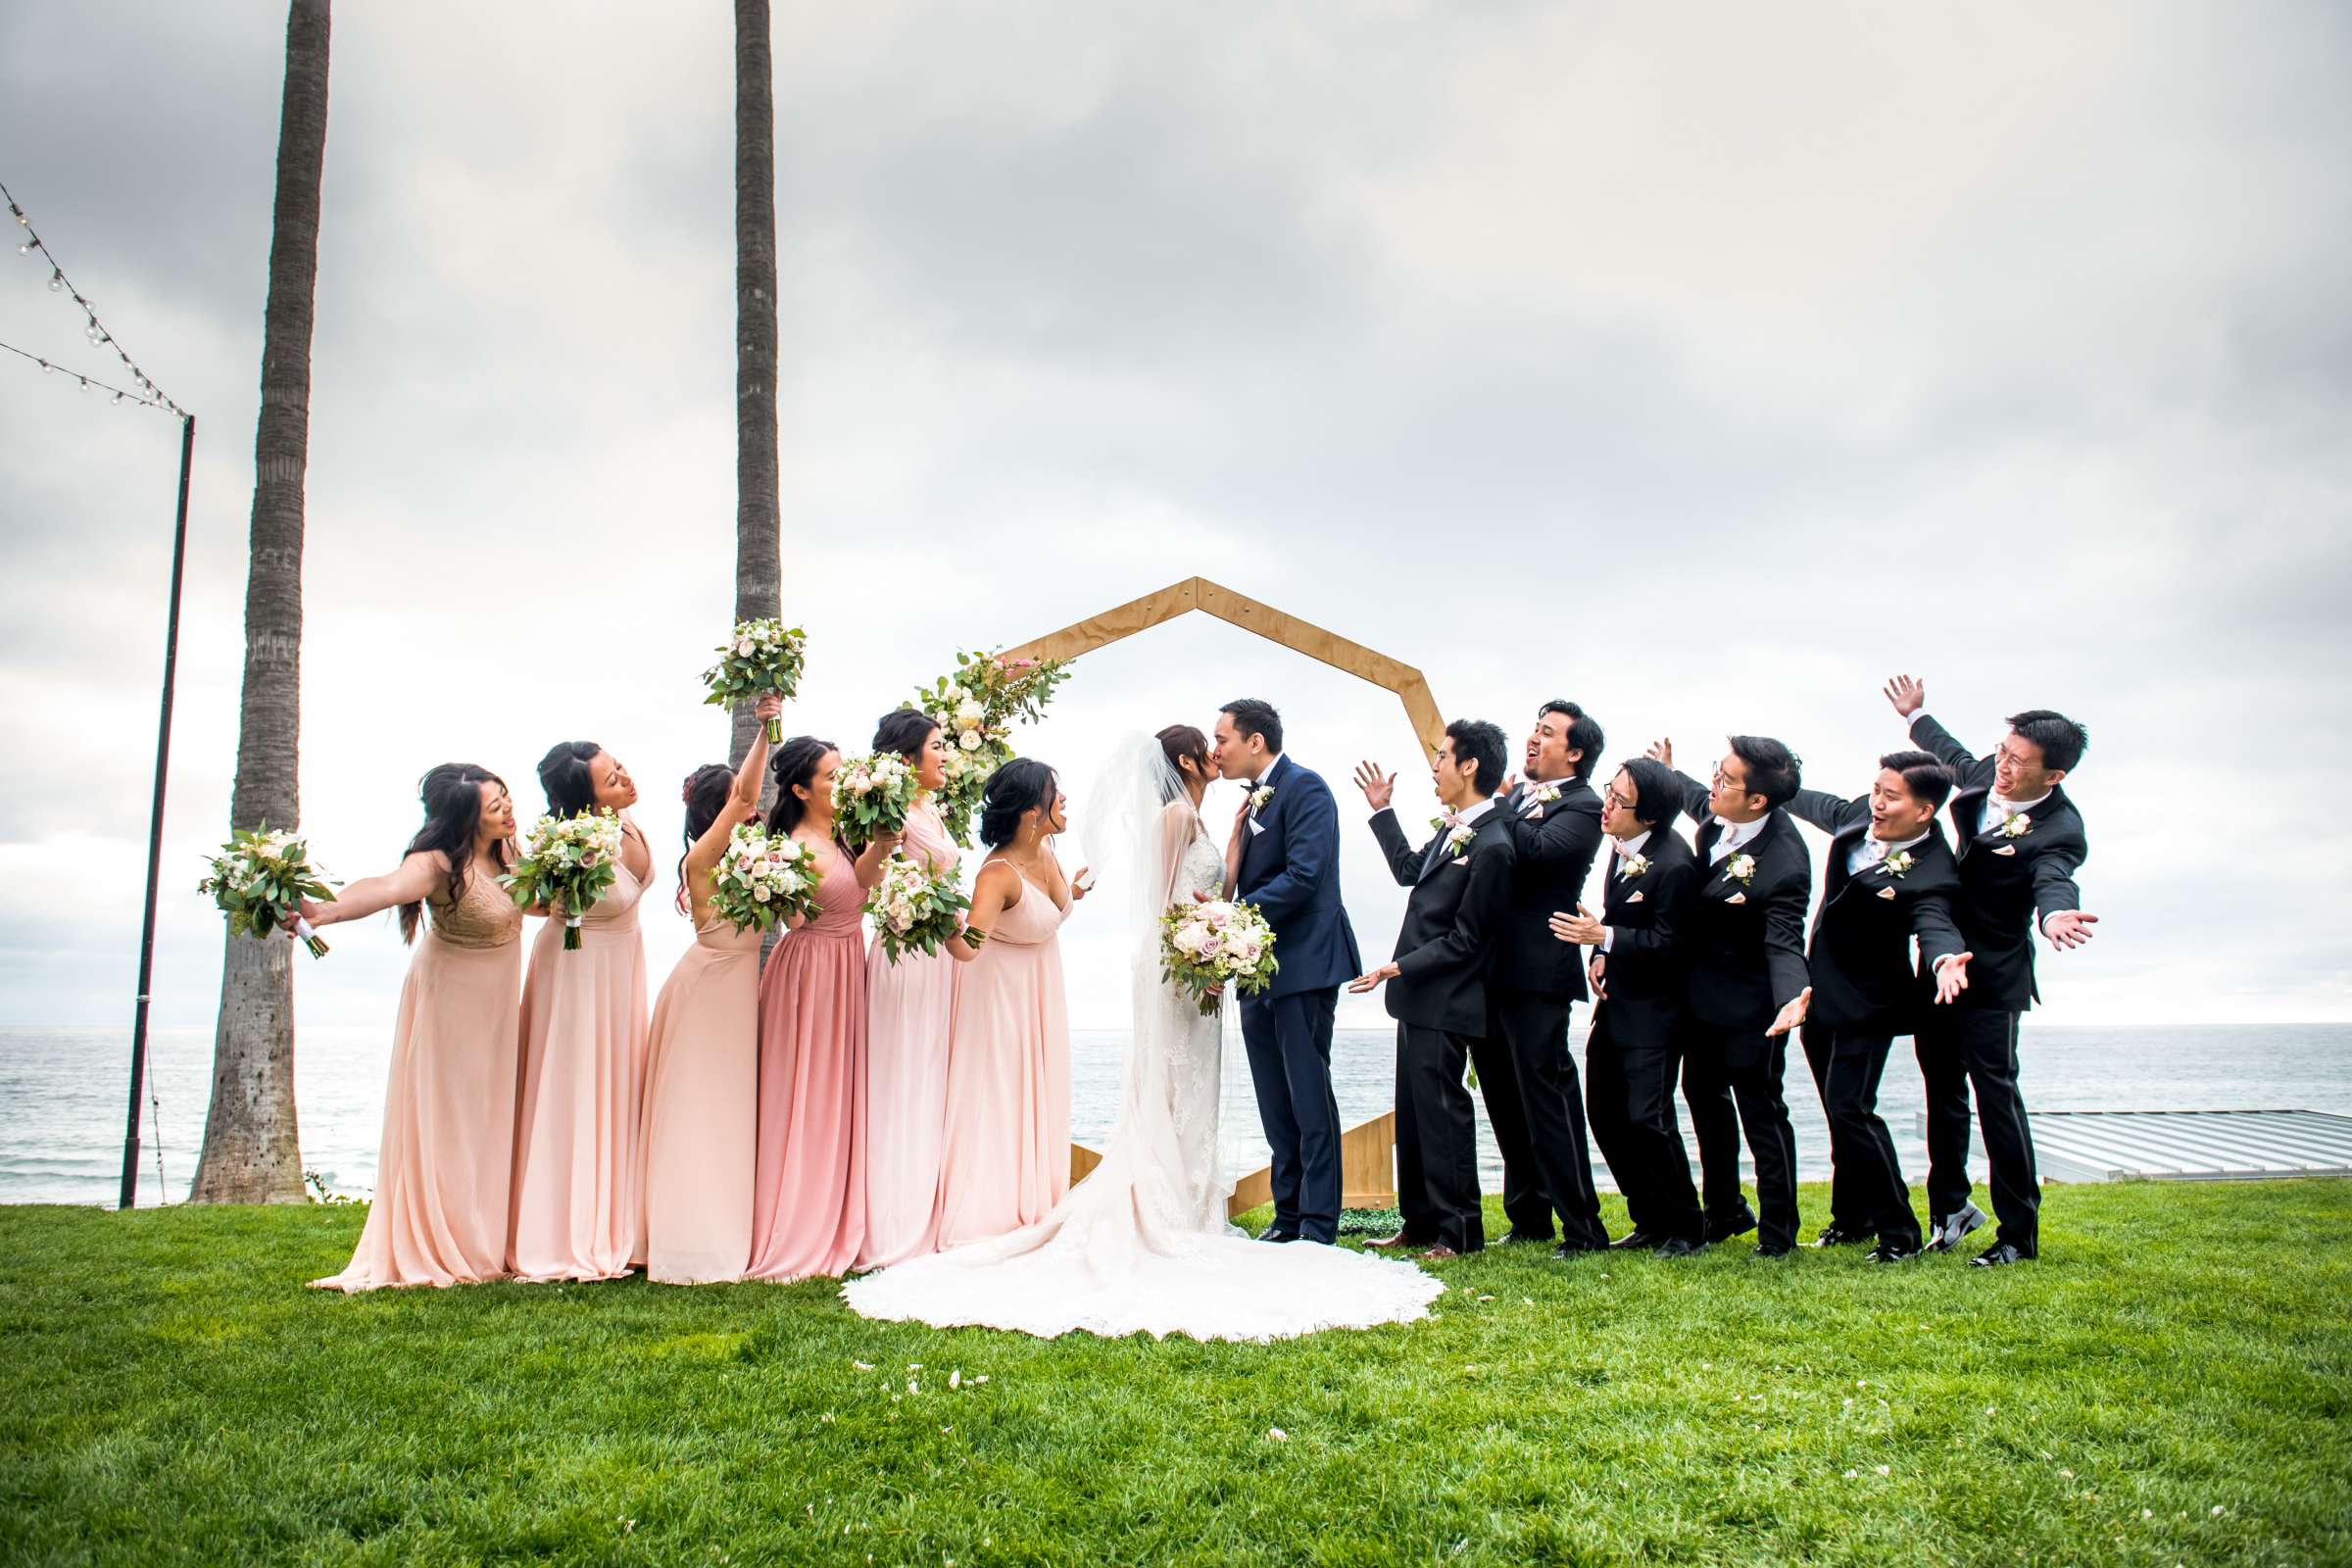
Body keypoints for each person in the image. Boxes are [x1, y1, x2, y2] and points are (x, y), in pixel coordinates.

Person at [843, 729, 1443, 1342]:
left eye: (1224, 738)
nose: (1217, 750)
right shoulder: (1173, 817)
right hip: (1177, 970)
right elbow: (1162, 910)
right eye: (1210, 743)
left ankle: (1206, 1205)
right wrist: (1201, 948)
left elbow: (1215, 890)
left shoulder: (1212, 817)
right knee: (1177, 1081)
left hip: (1201, 965)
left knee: (1201, 1085)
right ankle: (1175, 1206)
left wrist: (1228, 873)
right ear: (1186, 761)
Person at [1885, 676, 2095, 1266]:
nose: (2002, 767)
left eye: (2017, 762)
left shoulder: (2060, 828)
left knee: (1996, 1099)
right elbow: (1950, 753)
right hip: (1939, 964)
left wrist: (2054, 918)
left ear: (2052, 776)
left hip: (1993, 978)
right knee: (1941, 1091)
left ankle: (2017, 1234)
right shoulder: (1986, 773)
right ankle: (1951, 1210)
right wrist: (1916, 716)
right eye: (2002, 752)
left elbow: (2056, 877)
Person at [307, 764, 524, 1291]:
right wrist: (324, 911)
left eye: (507, 799)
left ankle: (487, 1237)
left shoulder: (507, 853)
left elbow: (532, 901)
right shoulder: (434, 863)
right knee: (450, 1120)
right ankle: (443, 1242)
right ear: (465, 816)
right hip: (451, 1002)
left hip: (499, 999)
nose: (508, 811)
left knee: (491, 1118)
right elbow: (385, 887)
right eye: (495, 807)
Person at [1782, 750, 1971, 1262]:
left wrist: (1946, 960)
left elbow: (1935, 923)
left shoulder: (1934, 871)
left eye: (1891, 796)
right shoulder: (1856, 818)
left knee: (1851, 1107)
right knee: (1837, 1112)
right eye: (1876, 790)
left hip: (1871, 1004)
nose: (1877, 803)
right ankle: (1852, 1219)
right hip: (1819, 994)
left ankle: (1900, 1233)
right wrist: (1766, 779)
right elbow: (1802, 798)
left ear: (1925, 811)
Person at [1351, 719, 1517, 1259]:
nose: (1435, 766)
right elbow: (1409, 871)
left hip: (1450, 997)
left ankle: (1460, 1230)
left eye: (1443, 756)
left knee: (1445, 1114)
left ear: (1470, 766)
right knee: (1416, 1113)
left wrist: (1395, 968)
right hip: (1420, 999)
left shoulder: (1493, 843)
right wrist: (1381, 811)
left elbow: (1469, 940)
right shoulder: (1455, 828)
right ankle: (1419, 1222)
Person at [1652, 734, 1813, 1257]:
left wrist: (1794, 995)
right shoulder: (1718, 812)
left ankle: (1779, 1232)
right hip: (1699, 1000)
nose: (1715, 783)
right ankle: (1724, 1209)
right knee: (1702, 1098)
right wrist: (1671, 774)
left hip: (1753, 1010)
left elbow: (1785, 939)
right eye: (1717, 772)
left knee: (1761, 1112)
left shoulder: (1786, 861)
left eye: (1727, 779)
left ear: (1758, 801)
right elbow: (1698, 796)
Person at [639, 695, 781, 1284]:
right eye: (731, 805)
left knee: (727, 1110)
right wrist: (768, 726)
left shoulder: (755, 857)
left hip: (735, 989)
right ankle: (688, 1239)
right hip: (706, 989)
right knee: (699, 1111)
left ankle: (728, 1227)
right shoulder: (703, 858)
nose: (745, 813)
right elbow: (749, 796)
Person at [1217, 699, 1362, 1247]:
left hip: (1304, 964)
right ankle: (1288, 1216)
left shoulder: (1307, 789)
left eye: (1223, 738)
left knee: (1308, 1094)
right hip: (1256, 970)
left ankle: (1319, 1222)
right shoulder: (1253, 800)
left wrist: (1232, 918)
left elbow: (1305, 876)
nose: (1217, 749)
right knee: (1274, 1099)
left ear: (1256, 742)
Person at [1549, 757, 1705, 1255]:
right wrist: (1599, 954)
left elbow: (1672, 943)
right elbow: (1616, 922)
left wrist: (1605, 936)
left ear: (1651, 815)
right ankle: (1649, 1217)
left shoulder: (1677, 864)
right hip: (1616, 1006)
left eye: (1620, 800)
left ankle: (1686, 1226)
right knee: (1604, 1113)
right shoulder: (1621, 849)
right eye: (1609, 792)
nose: (1607, 804)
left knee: (1648, 1117)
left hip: (1658, 1013)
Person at [510, 740, 653, 1281]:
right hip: (577, 971)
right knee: (574, 1088)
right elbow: (525, 900)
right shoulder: (567, 845)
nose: (625, 778)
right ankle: (562, 1228)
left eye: (620, 766)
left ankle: (619, 1218)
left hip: (621, 971)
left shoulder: (627, 822)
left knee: (616, 1085)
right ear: (585, 801)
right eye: (612, 779)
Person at [927, 760, 1085, 1249]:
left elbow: (1054, 911)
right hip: (1000, 999)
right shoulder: (996, 875)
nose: (1063, 801)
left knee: (1043, 1088)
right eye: (1054, 794)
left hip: (1041, 988)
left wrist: (1075, 890)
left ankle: (1037, 1194)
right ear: (1030, 810)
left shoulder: (1049, 854)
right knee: (1000, 1093)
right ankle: (990, 1206)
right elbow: (968, 947)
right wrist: (930, 918)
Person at [746, 735, 874, 1283]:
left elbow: (860, 888)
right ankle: (796, 1220)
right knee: (807, 1091)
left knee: (839, 1089)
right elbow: (795, 921)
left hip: (848, 962)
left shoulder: (843, 835)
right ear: (800, 789)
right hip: (812, 972)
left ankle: (839, 1206)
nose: (842, 783)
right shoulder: (792, 845)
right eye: (830, 776)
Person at [1484, 699, 1610, 1253]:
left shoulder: (1584, 806)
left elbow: (1536, 854)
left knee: (1547, 1097)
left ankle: (1582, 1226)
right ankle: (1527, 1215)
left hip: (1540, 968)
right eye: (1534, 729)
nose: (1533, 739)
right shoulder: (1516, 798)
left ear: (1575, 752)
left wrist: (1496, 807)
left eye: (1548, 733)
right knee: (1503, 1097)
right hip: (1492, 965)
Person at [856, 708, 965, 1269]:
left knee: (932, 1076)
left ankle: (926, 1207)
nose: (945, 755)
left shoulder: (931, 807)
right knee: (900, 1079)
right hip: (906, 955)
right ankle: (891, 1220)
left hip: (939, 957)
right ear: (906, 760)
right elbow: (871, 883)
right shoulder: (890, 813)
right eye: (937, 746)